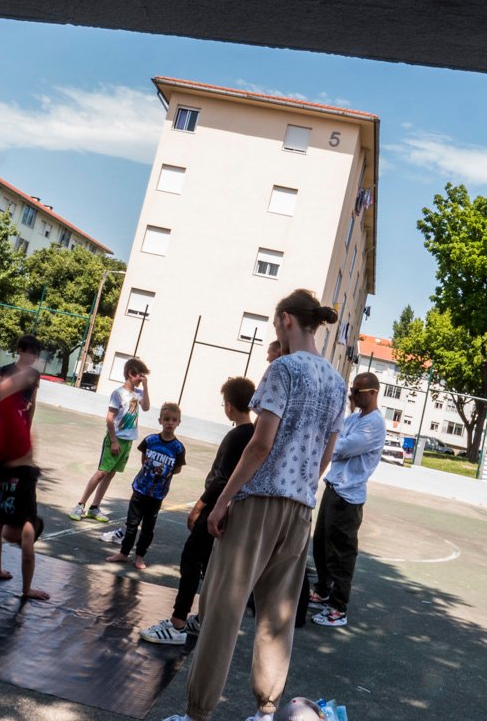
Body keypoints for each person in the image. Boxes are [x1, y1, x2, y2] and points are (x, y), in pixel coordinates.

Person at [164, 289, 345, 721]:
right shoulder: (337, 382)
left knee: (222, 608)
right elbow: (326, 454)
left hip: (258, 505)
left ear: (286, 320)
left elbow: (260, 443)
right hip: (300, 510)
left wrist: (223, 501)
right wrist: (301, 488)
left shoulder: (283, 369)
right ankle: (266, 712)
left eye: (275, 323)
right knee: (276, 618)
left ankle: (197, 713)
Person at [140, 377, 255, 646]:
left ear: (229, 406)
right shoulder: (252, 434)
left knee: (191, 560)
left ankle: (177, 623)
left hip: (216, 507)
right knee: (209, 565)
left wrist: (199, 507)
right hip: (230, 509)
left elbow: (221, 479)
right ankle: (202, 618)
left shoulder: (238, 436)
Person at [308, 372, 387, 628]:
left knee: (341, 554)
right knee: (321, 544)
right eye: (352, 390)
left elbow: (339, 447)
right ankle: (323, 590)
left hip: (348, 497)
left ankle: (338, 608)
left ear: (373, 393)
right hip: (334, 488)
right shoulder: (355, 418)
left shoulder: (374, 424)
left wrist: (336, 443)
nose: (352, 396)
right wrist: (335, 442)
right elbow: (334, 438)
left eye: (357, 392)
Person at [0, 363, 49, 601]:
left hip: (3, 461)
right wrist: (26, 590)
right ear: (25, 536)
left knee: (5, 411)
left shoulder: (2, 515)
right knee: (13, 412)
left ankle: (17, 387)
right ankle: (24, 382)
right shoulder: (27, 520)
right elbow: (28, 557)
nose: (8, 541)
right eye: (17, 542)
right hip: (22, 461)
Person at [69, 358, 150, 522]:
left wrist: (146, 387)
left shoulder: (138, 393)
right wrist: (113, 441)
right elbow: (109, 419)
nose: (142, 379)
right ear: (131, 373)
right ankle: (80, 505)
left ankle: (94, 507)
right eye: (140, 375)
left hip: (127, 441)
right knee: (101, 472)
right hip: (116, 439)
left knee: (110, 474)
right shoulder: (118, 393)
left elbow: (146, 407)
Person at [106, 402, 185, 569]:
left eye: (174, 420)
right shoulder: (150, 440)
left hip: (157, 494)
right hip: (140, 489)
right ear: (160, 420)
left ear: (179, 422)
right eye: (166, 419)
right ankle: (124, 553)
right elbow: (144, 461)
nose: (170, 423)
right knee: (132, 524)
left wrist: (162, 473)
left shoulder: (178, 448)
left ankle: (140, 556)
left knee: (148, 528)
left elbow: (177, 469)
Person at [0, 335, 41, 515]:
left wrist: (28, 424)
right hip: (3, 420)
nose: (33, 357)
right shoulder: (7, 370)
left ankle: (1, 496)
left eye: (35, 354)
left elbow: (33, 401)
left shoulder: (34, 375)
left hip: (20, 422)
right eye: (30, 352)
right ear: (20, 351)